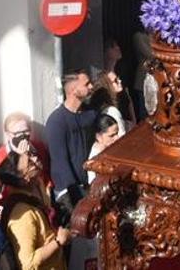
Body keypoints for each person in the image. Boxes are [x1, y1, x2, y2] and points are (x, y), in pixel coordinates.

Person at [4, 146, 69, 270]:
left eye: (31, 155)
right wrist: (58, 242)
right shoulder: (23, 215)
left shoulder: (37, 183)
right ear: (24, 178)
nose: (35, 158)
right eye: (30, 162)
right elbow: (27, 264)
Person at [45, 71, 96, 220]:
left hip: (89, 184)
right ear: (73, 90)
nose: (91, 86)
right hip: (69, 193)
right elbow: (60, 163)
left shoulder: (90, 114)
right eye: (86, 84)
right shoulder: (57, 122)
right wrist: (75, 198)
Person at [88, 71, 131, 137]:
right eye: (115, 80)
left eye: (118, 78)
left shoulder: (120, 100)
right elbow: (122, 136)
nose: (120, 81)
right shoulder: (112, 111)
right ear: (108, 85)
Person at [85, 114, 122, 186]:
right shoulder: (95, 159)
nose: (117, 138)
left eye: (117, 133)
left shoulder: (112, 149)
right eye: (112, 136)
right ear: (98, 136)